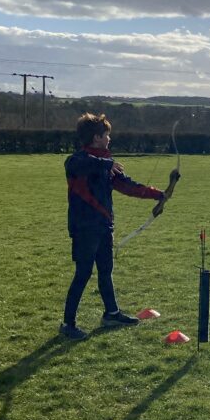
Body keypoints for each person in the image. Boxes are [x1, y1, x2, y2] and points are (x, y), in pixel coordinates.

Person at [61, 113, 166, 340]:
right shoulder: (78, 161)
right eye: (106, 135)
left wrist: (159, 194)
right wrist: (107, 163)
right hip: (84, 229)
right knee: (83, 273)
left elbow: (128, 186)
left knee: (106, 271)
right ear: (96, 137)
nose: (109, 139)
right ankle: (68, 324)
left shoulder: (106, 164)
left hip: (103, 227)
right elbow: (79, 164)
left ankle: (111, 313)